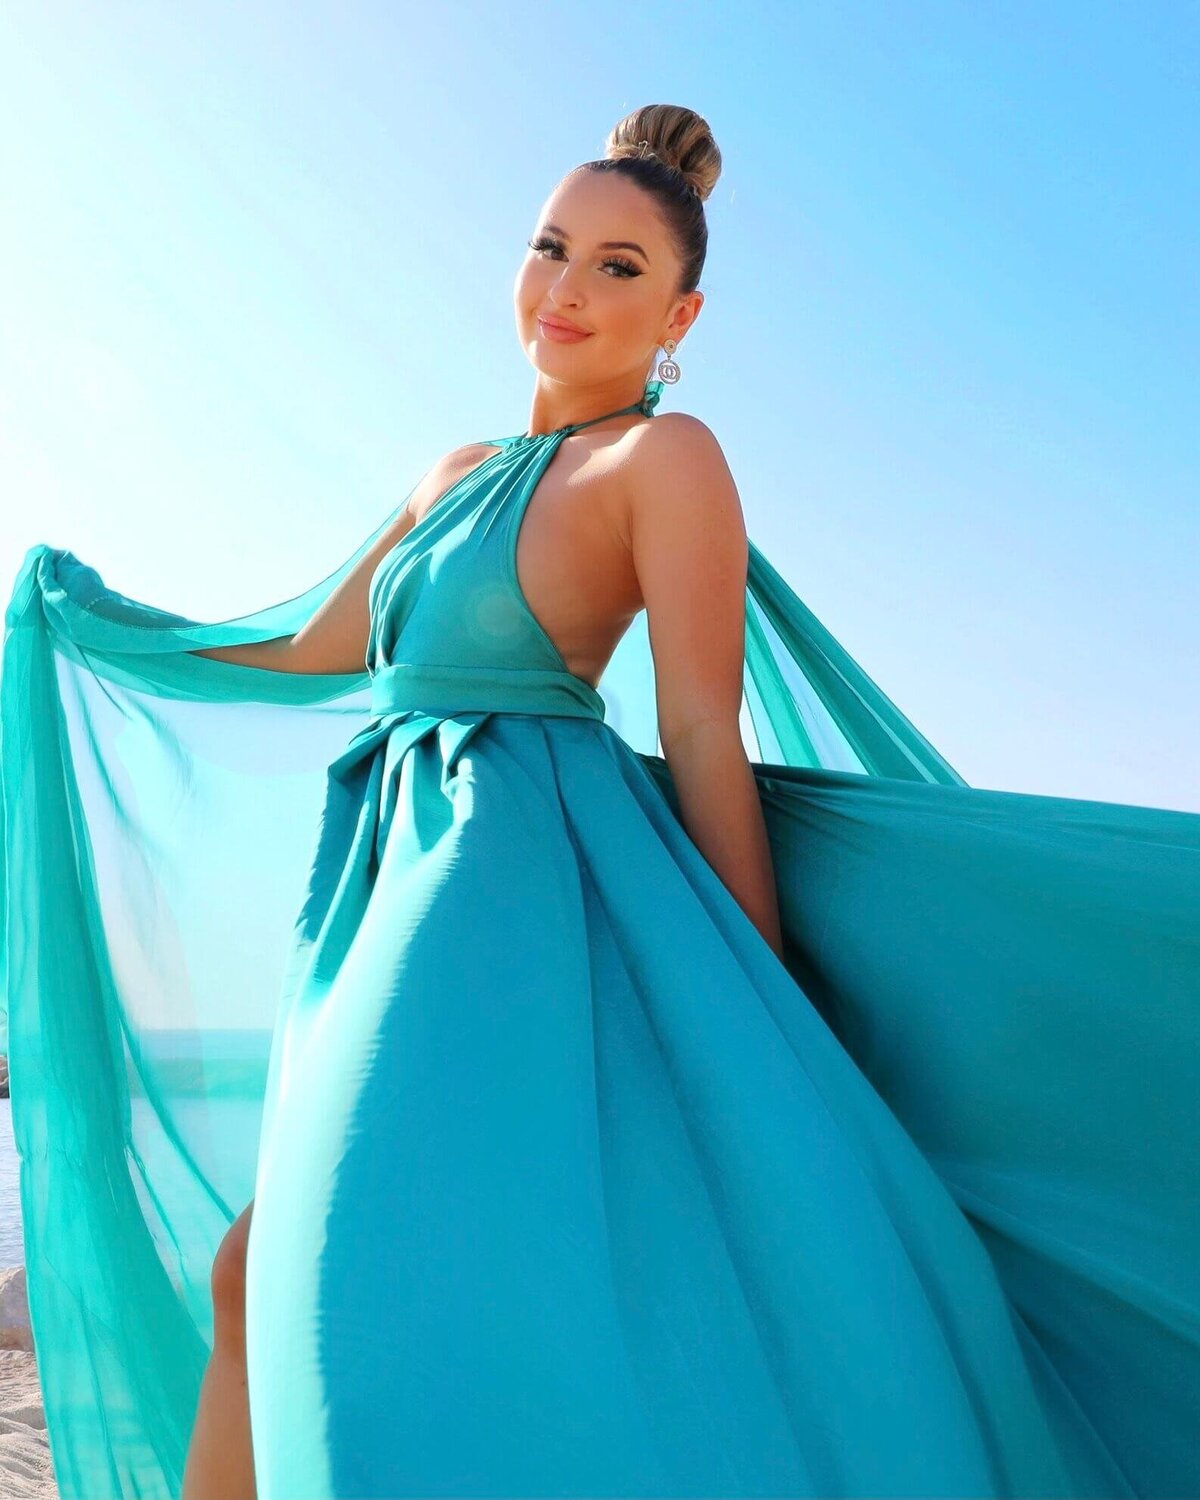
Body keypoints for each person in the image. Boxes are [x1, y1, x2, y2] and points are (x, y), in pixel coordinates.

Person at [3, 104, 1197, 1500]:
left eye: (620, 266)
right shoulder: (452, 473)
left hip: (492, 898)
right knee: (257, 1277)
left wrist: (752, 995)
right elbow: (318, 640)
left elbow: (701, 724)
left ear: (681, 309)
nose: (567, 288)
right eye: (551, 246)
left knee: (334, 1282)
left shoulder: (665, 461)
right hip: (387, 877)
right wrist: (98, 625)